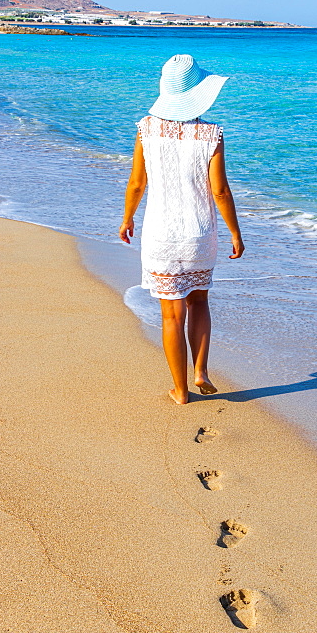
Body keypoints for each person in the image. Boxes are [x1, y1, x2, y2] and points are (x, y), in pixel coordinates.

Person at [119, 54, 244, 404]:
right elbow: (220, 191)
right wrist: (235, 232)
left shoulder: (146, 129)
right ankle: (201, 370)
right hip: (200, 233)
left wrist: (128, 218)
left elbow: (136, 183)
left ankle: (180, 390)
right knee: (199, 300)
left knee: (171, 315)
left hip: (161, 233)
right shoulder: (211, 135)